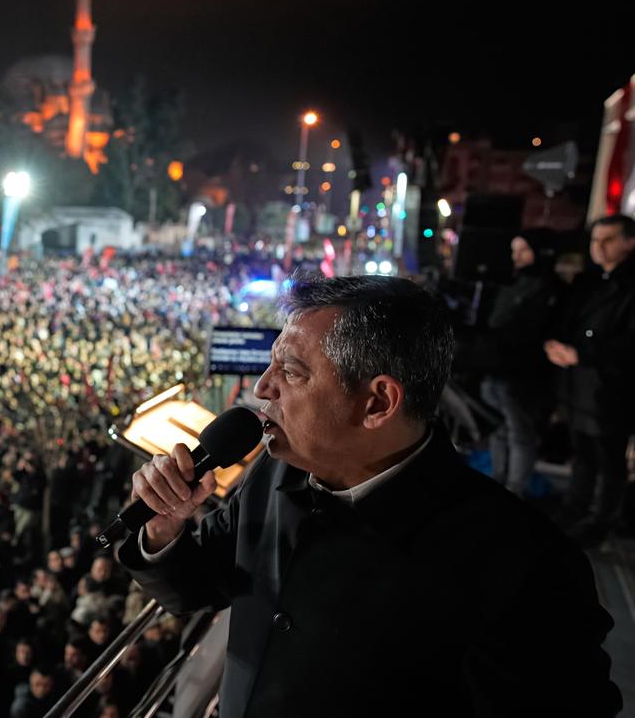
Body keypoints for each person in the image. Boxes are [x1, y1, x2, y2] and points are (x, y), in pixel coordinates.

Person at [118, 273, 621, 717]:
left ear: (378, 402)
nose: (264, 387)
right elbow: (195, 585)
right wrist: (165, 526)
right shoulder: (272, 476)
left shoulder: (521, 565)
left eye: (292, 371)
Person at [545, 214, 635, 546]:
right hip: (581, 387)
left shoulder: (626, 286)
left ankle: (601, 522)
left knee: (609, 459)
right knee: (583, 452)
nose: (598, 247)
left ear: (629, 241)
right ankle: (576, 508)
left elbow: (627, 344)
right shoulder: (592, 281)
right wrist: (556, 345)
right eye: (595, 240)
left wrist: (583, 355)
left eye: (607, 240)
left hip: (611, 390)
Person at [480, 233, 555, 496]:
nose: (517, 256)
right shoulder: (514, 283)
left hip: (521, 374)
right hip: (497, 368)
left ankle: (514, 490)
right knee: (499, 431)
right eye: (515, 250)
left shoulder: (546, 287)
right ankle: (498, 483)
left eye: (524, 250)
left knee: (519, 433)